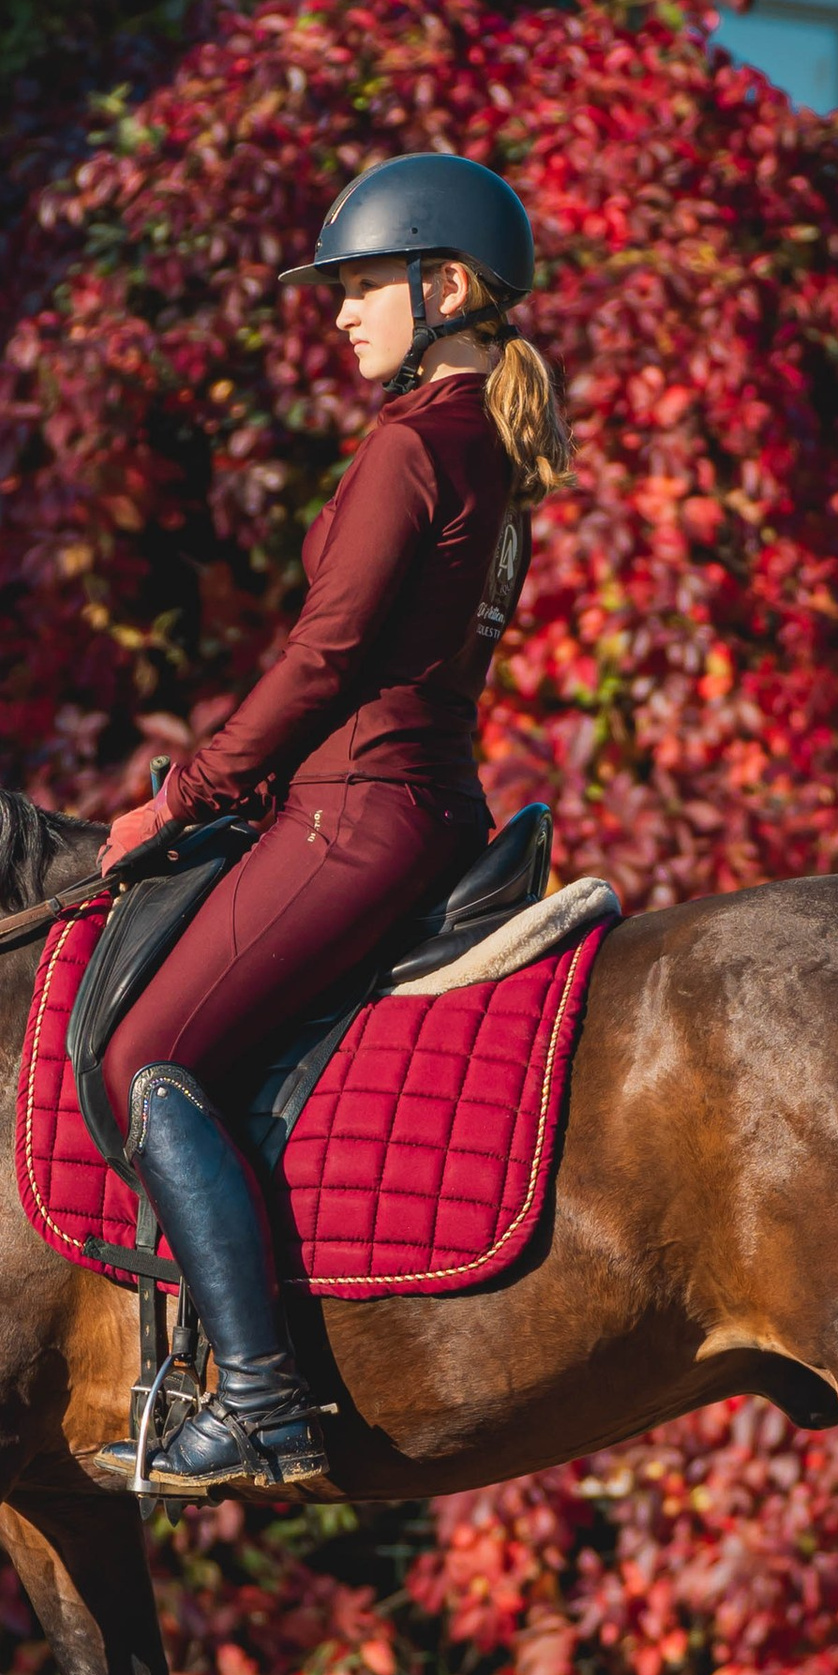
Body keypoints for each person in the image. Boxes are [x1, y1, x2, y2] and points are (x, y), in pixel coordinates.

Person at [94, 152, 574, 1492]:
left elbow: (324, 658)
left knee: (149, 1058)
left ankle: (259, 1400)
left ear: (451, 286)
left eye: (366, 285)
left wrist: (186, 794)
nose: (344, 312)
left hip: (354, 813)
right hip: (430, 806)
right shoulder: (490, 449)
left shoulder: (414, 445)